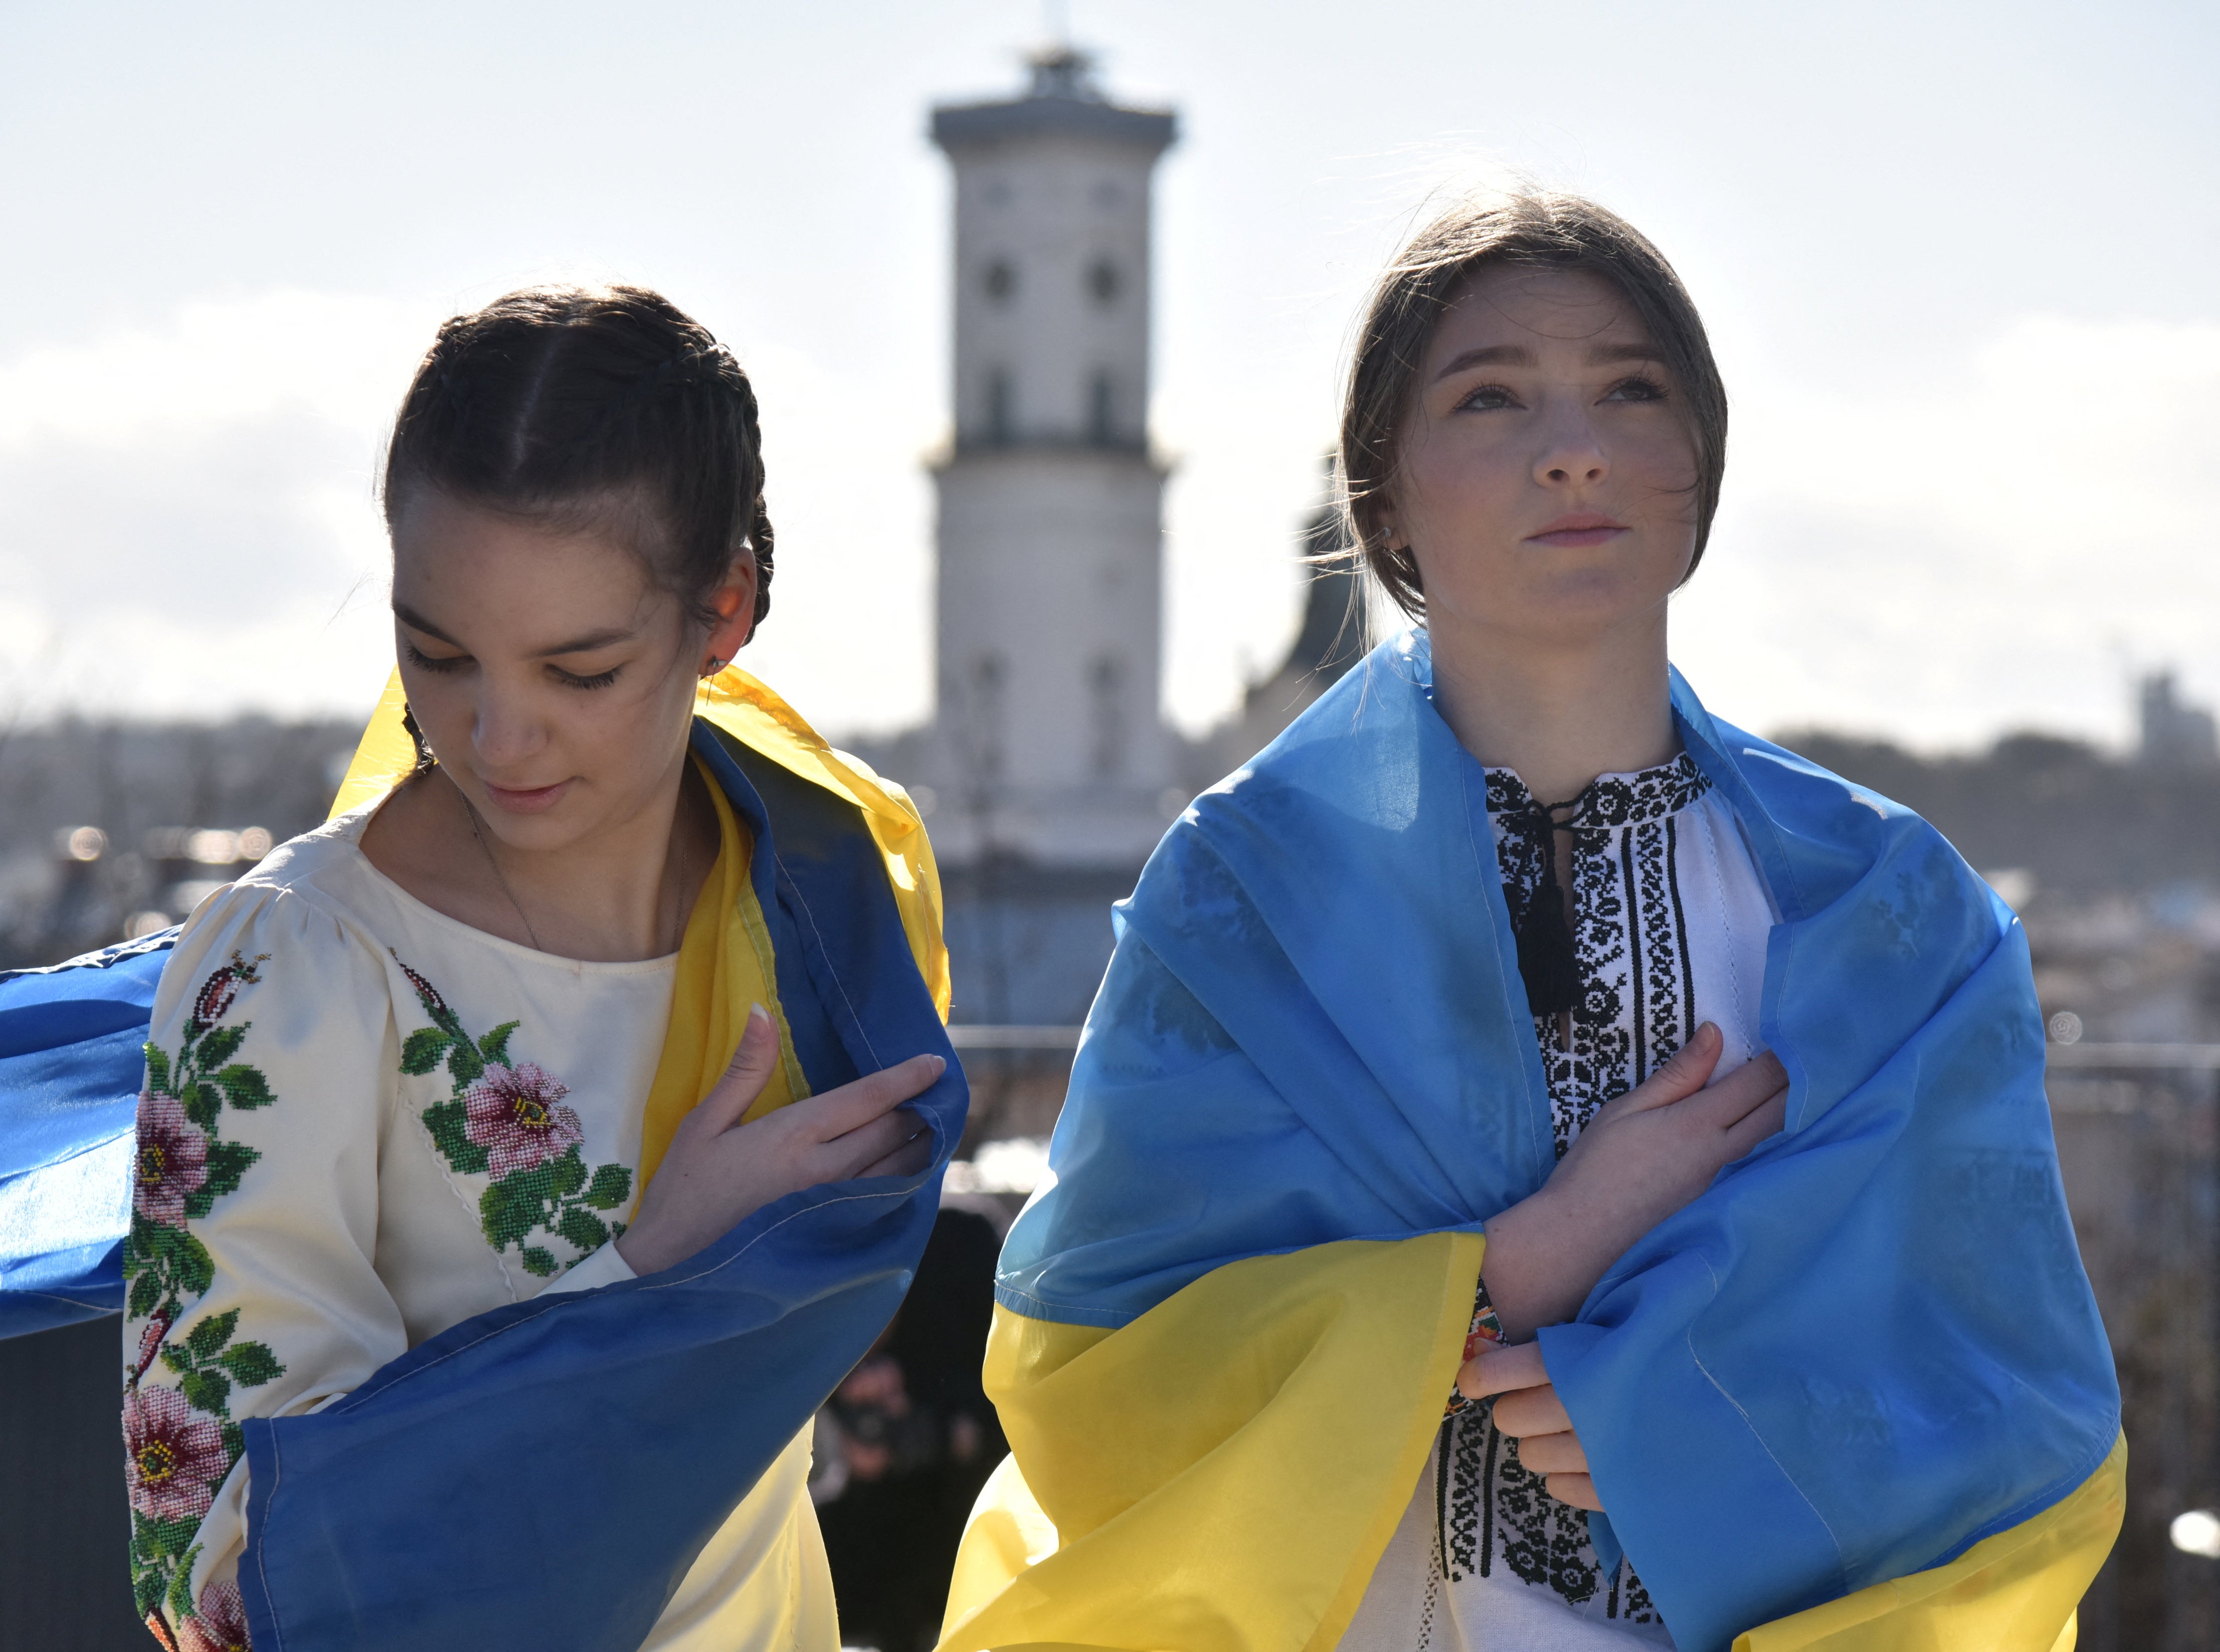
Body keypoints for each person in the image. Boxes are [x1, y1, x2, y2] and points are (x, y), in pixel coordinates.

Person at [936, 194, 2123, 1652]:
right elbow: (1094, 1374)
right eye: (1490, 397)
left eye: (1631, 389)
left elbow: (2006, 1399)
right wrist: (1506, 1273)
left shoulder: (1888, 914)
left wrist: (1684, 1413)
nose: (1574, 446)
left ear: (1700, 465)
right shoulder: (1241, 898)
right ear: (1385, 495)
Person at [0, 285, 966, 1652]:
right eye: (435, 655)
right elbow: (215, 1576)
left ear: (724, 614)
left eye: (580, 670)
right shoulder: (299, 968)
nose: (497, 734)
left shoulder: (824, 898)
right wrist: (657, 1279)